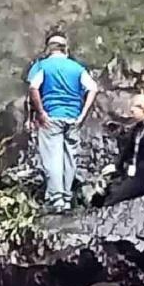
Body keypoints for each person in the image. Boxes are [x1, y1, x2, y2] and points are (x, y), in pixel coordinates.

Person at [28, 34, 98, 213]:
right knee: (70, 157)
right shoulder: (77, 67)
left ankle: (56, 199)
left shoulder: (42, 65)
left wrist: (40, 113)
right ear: (65, 48)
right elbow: (93, 88)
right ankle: (67, 198)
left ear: (48, 48)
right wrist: (82, 115)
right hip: (73, 117)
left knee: (53, 158)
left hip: (51, 116)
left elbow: (33, 88)